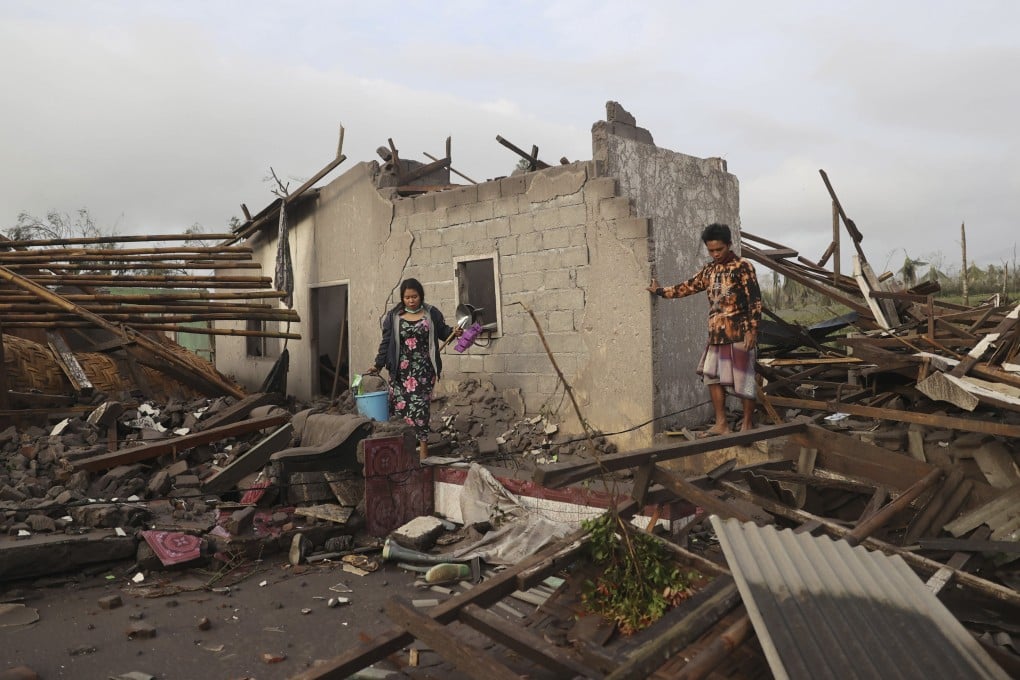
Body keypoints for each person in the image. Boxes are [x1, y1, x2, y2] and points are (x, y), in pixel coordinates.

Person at [646, 223, 762, 435]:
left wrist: (752, 330)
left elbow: (754, 300)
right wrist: (660, 291)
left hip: (739, 333)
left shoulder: (743, 266)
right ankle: (721, 424)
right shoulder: (710, 270)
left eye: (719, 249)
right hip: (716, 334)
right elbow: (688, 286)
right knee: (712, 377)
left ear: (729, 245)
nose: (716, 254)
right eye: (711, 250)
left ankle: (747, 424)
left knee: (744, 380)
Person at [367, 278, 461, 461]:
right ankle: (403, 453)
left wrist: (454, 331)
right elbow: (386, 342)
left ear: (421, 296)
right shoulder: (393, 316)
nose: (411, 300)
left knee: (419, 410)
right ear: (402, 298)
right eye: (407, 297)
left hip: (424, 372)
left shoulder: (431, 313)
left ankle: (423, 453)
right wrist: (378, 364)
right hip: (399, 372)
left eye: (415, 296)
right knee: (400, 411)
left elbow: (443, 332)